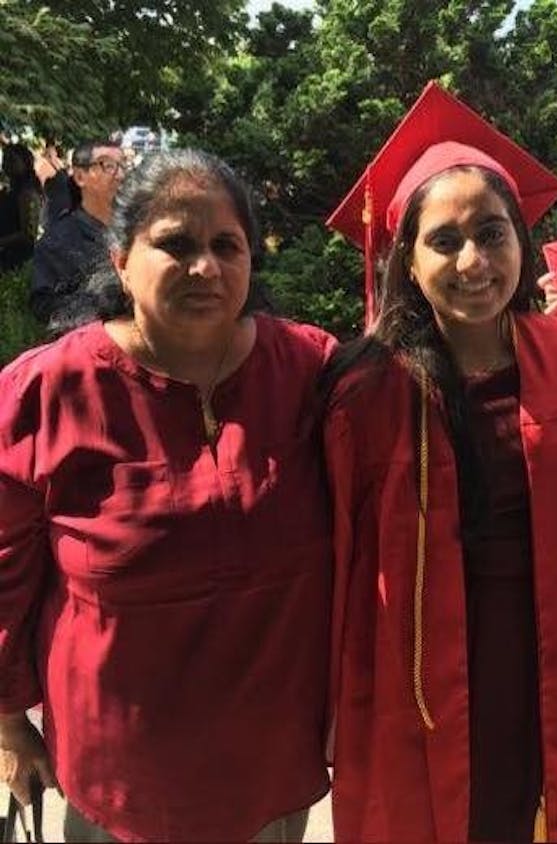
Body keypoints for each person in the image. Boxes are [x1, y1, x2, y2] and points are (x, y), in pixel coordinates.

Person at [324, 82, 557, 841]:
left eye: (493, 234)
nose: (474, 261)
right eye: (444, 240)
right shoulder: (368, 387)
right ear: (406, 257)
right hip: (416, 672)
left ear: (522, 243)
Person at [0, 149, 335, 841]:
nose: (205, 267)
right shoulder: (46, 392)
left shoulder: (312, 372)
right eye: (175, 244)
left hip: (268, 770)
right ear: (121, 259)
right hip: (120, 780)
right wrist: (8, 724)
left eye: (225, 245)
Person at [30, 139, 124, 331]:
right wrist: (107, 302)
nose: (120, 174)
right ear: (80, 177)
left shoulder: (137, 229)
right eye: (108, 166)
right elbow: (45, 307)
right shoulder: (56, 241)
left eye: (123, 166)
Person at [0, 143, 42, 271]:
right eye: (4, 160)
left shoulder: (27, 193)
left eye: (12, 160)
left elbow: (28, 235)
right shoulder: (10, 192)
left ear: (25, 163)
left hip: (17, 261)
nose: (6, 165)